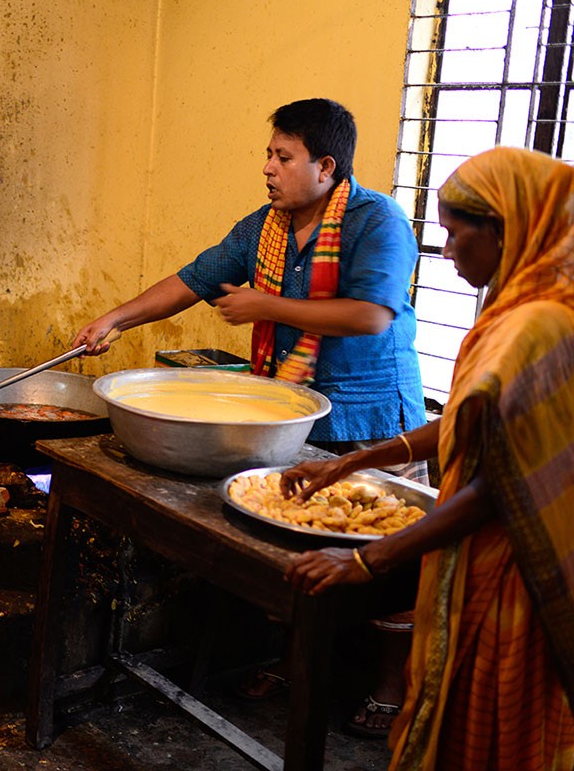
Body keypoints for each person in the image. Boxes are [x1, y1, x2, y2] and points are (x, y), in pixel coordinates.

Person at [74, 98, 427, 730]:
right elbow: (196, 278)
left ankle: (389, 684)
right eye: (269, 153)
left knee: (387, 565)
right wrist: (115, 318)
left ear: (325, 166)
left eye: (282, 156)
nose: (268, 168)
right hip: (297, 419)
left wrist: (269, 307)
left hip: (373, 422)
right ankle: (296, 663)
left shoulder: (379, 222)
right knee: (293, 548)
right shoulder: (266, 226)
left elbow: (372, 314)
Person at [284, 146, 574, 769]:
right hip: (495, 558)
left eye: (454, 232)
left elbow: (500, 484)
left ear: (503, 227)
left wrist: (369, 558)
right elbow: (471, 428)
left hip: (515, 574)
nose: (447, 252)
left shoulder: (541, 327)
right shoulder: (521, 308)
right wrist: (348, 464)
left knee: (492, 732)